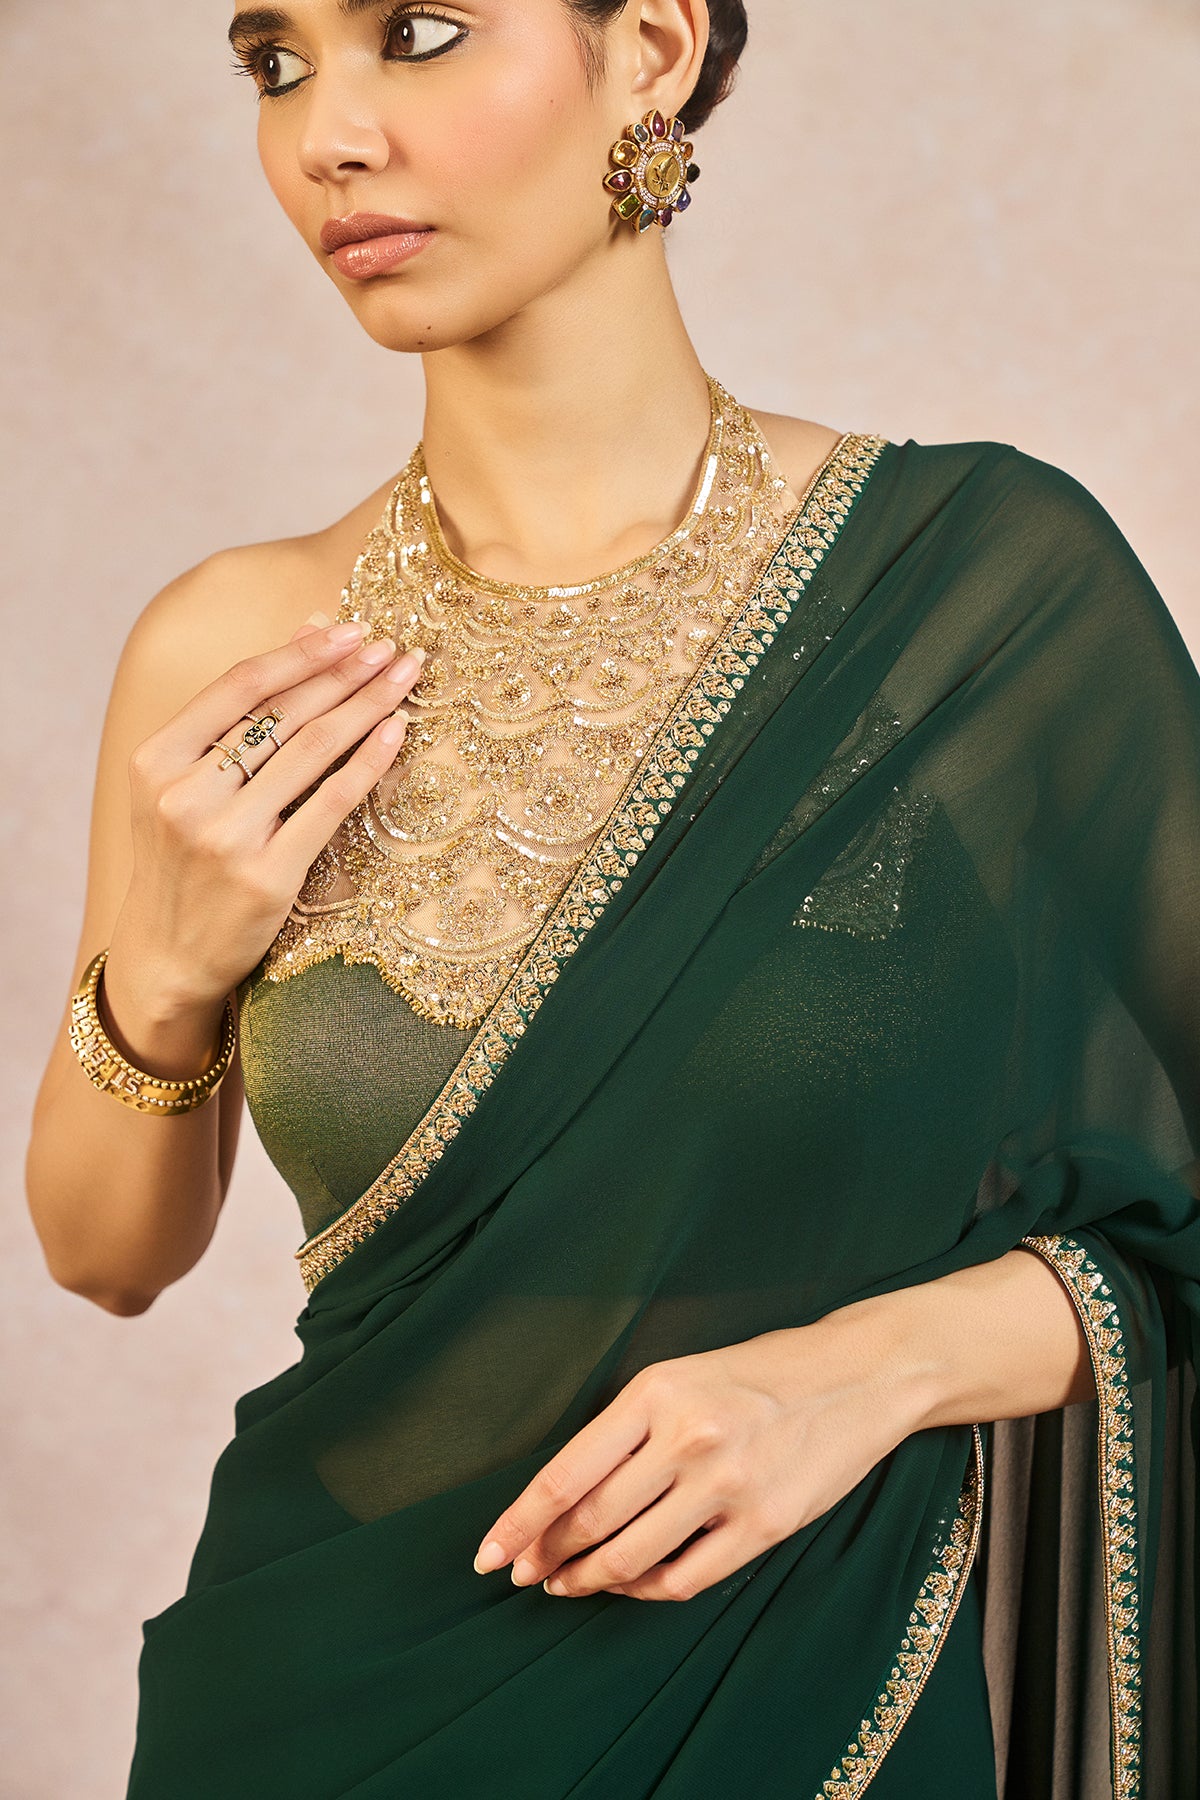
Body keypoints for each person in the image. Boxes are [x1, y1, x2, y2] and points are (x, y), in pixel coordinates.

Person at [23, 2, 1198, 1794]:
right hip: (317, 1698)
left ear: (647, 46)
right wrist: (168, 972)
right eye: (275, 63)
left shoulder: (972, 605)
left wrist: (872, 1372)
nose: (329, 133)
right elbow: (106, 1256)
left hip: (811, 1692)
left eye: (418, 30)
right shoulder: (236, 645)